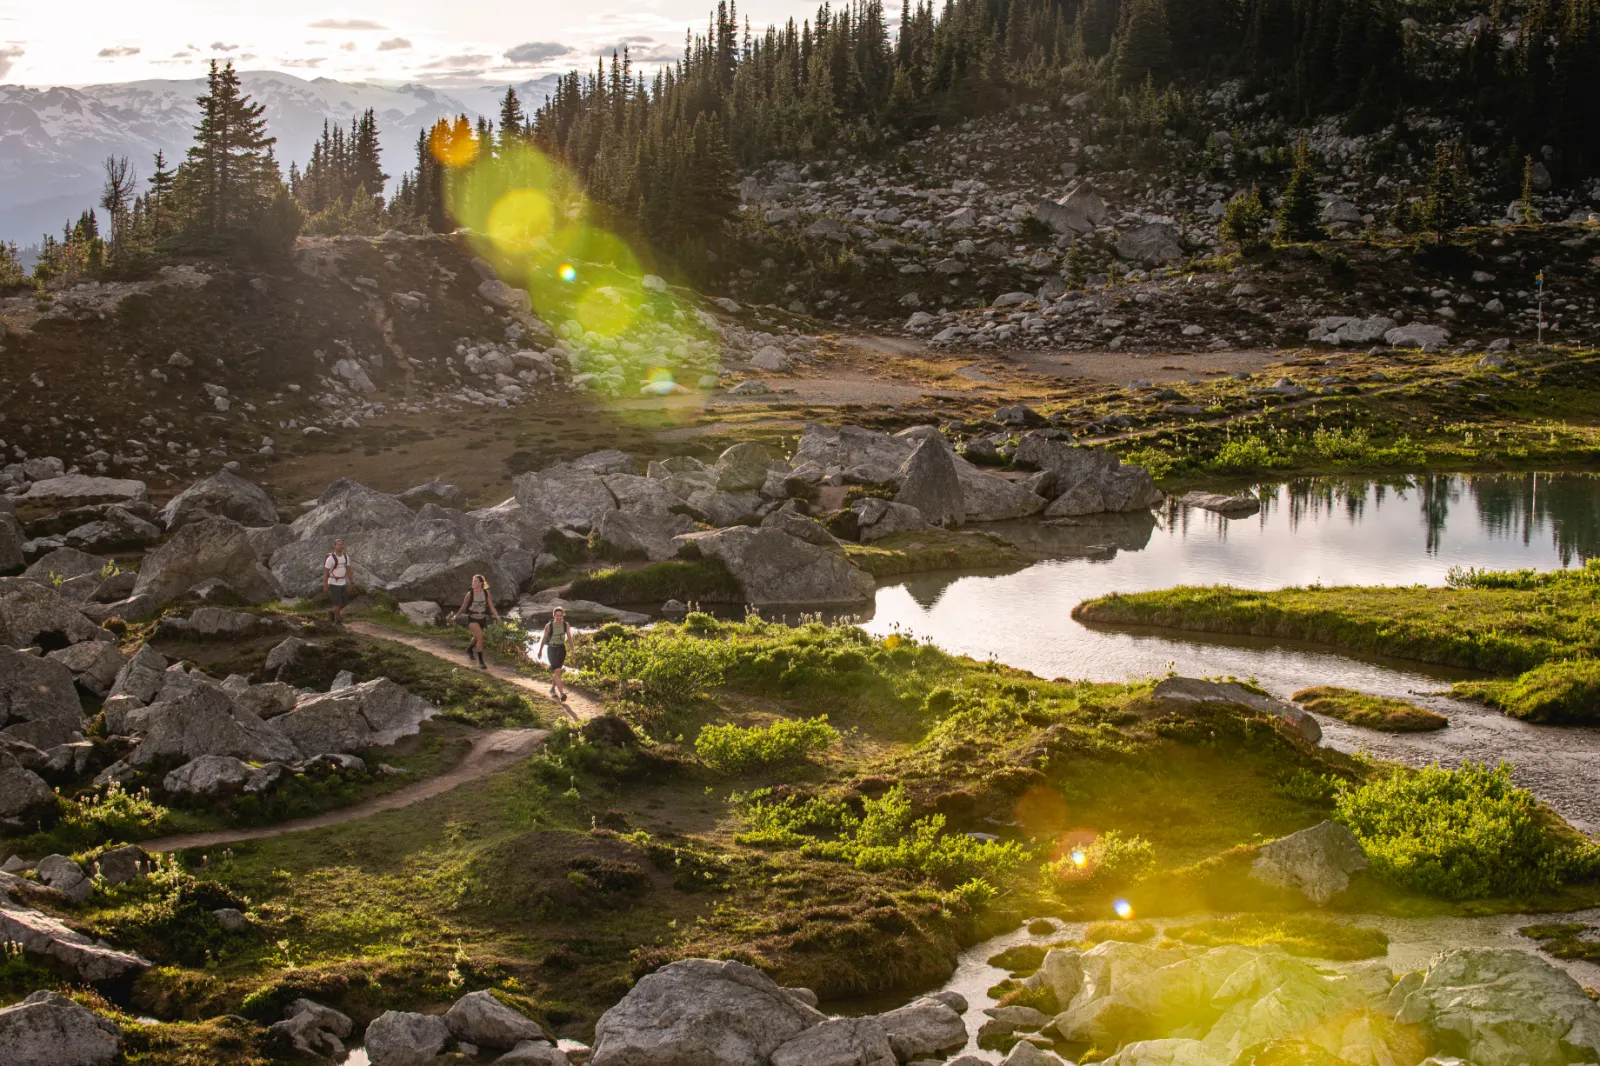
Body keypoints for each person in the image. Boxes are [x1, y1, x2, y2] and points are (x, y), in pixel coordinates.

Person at [451, 574, 499, 669]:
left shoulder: (486, 593)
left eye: (475, 581)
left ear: (481, 583)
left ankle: (469, 649)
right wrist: (455, 617)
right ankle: (481, 661)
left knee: (476, 637)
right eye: (472, 581)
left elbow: (491, 606)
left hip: (482, 618)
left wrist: (497, 616)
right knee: (480, 636)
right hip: (472, 618)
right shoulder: (470, 594)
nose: (473, 583)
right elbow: (463, 606)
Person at [539, 606, 571, 701]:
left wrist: (573, 650)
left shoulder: (566, 625)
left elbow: (569, 638)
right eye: (557, 615)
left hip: (562, 649)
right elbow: (544, 639)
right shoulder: (548, 626)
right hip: (551, 649)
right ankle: (562, 693)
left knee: (558, 671)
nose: (559, 617)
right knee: (558, 671)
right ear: (554, 616)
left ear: (563, 616)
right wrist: (540, 650)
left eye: (561, 615)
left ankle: (552, 689)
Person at [323, 538, 353, 624]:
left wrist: (351, 582)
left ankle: (332, 612)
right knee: (337, 603)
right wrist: (325, 585)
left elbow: (348, 570)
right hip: (333, 583)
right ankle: (338, 621)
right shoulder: (331, 559)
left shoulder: (346, 557)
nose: (340, 546)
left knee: (344, 602)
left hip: (342, 582)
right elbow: (326, 573)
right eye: (338, 545)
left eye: (341, 544)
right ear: (335, 546)